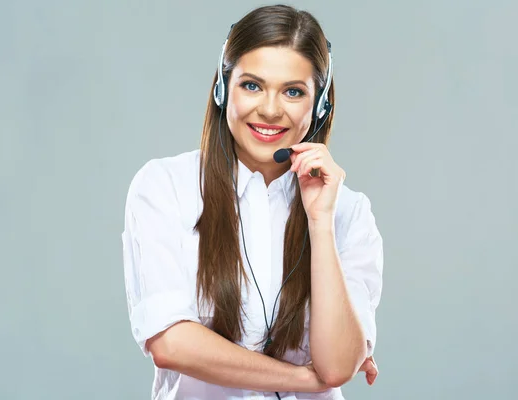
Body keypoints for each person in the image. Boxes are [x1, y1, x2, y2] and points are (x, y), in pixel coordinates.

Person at [121, 4, 383, 400]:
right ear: (223, 88)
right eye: (252, 85)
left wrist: (320, 222)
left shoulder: (348, 212)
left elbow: (337, 366)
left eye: (293, 91)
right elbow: (171, 344)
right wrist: (302, 379)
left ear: (320, 105)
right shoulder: (165, 187)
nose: (271, 109)